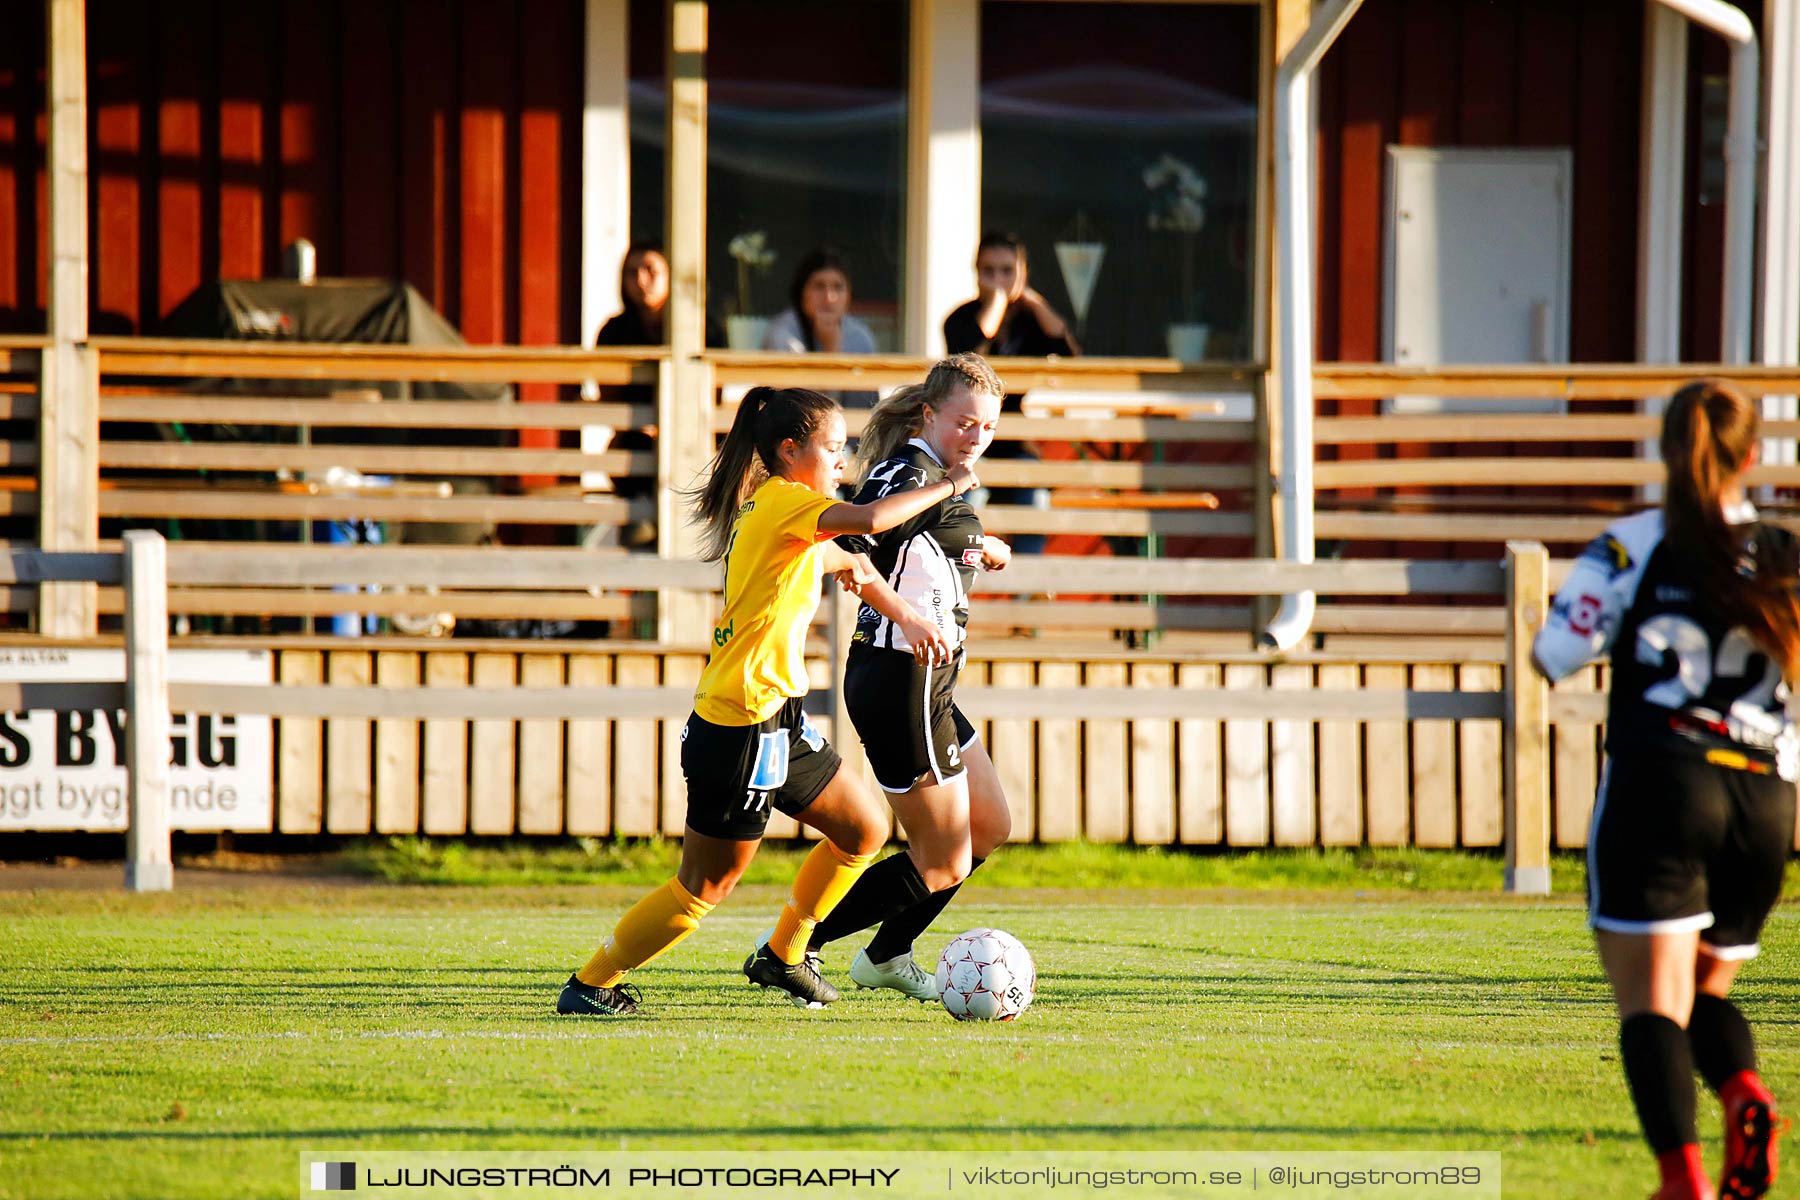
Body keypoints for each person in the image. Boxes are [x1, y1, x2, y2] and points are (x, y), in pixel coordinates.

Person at [556, 385, 979, 1016]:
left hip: (779, 718)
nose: (843, 463)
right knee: (702, 888)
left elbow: (856, 570)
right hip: (739, 726)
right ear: (789, 451)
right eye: (833, 449)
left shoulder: (792, 513)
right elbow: (868, 523)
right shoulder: (784, 502)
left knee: (863, 829)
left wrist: (911, 620)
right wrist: (950, 484)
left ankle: (784, 955)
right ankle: (591, 984)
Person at [1533, 378, 1795, 1200]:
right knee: (1703, 990)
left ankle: (1682, 1182)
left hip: (1664, 782)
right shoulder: (1787, 555)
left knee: (1650, 1002)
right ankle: (1744, 1091)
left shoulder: (1634, 544)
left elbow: (1554, 651)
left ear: (1666, 450)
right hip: (1764, 800)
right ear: (1752, 457)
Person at [753, 353, 1015, 1001]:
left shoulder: (940, 476)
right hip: (901, 679)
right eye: (963, 423)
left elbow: (928, 549)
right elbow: (867, 539)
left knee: (990, 826)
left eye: (987, 427)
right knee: (944, 858)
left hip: (932, 680)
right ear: (929, 415)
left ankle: (886, 954)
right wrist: (901, 598)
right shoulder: (911, 470)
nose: (975, 438)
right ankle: (792, 948)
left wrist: (985, 549)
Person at [942, 233, 1079, 557]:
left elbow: (1068, 351)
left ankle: (1025, 593)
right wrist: (997, 302)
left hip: (1015, 444)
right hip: (969, 446)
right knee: (963, 505)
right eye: (989, 271)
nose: (999, 280)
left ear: (1023, 273)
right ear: (976, 272)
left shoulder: (1033, 321)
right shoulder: (959, 318)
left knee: (1036, 503)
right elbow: (969, 351)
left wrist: (1032, 299)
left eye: (1008, 271)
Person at [763, 249, 879, 409]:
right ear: (802, 292)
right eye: (819, 286)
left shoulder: (860, 336)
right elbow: (793, 409)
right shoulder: (782, 333)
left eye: (838, 287)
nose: (829, 298)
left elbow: (866, 406)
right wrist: (831, 350)